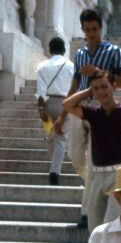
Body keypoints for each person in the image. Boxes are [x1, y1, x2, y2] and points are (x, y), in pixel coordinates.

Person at [56, 8, 121, 229]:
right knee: (76, 157)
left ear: (101, 28)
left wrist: (99, 71)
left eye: (94, 29)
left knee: (90, 160)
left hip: (102, 111)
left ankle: (86, 212)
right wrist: (61, 117)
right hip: (80, 109)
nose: (91, 33)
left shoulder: (114, 51)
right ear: (83, 30)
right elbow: (75, 86)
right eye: (87, 30)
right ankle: (94, 183)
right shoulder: (79, 54)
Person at [62, 69, 121, 232]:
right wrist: (89, 90)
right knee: (95, 231)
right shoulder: (93, 114)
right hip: (96, 176)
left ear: (114, 86)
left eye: (104, 87)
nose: (100, 92)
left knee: (112, 228)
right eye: (96, 89)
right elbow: (67, 105)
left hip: (120, 176)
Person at [35, 37, 75, 185]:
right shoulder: (71, 66)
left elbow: (40, 89)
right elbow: (74, 89)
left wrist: (41, 108)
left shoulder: (42, 66)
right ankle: (54, 171)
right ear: (64, 50)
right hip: (65, 103)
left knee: (51, 137)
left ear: (50, 49)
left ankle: (54, 167)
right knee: (61, 138)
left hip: (47, 103)